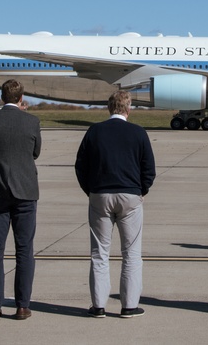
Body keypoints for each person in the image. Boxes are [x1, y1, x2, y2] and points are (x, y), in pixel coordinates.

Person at [75, 90, 156, 319]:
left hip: (100, 195)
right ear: (128, 109)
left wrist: (90, 190)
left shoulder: (95, 131)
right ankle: (129, 305)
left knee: (99, 253)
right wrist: (141, 190)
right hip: (130, 196)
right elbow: (149, 168)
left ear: (110, 108)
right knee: (131, 253)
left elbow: (80, 165)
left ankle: (98, 306)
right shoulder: (138, 133)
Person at [0, 79, 42, 321]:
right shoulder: (32, 121)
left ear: (1, 97)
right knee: (24, 249)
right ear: (21, 98)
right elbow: (35, 152)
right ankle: (22, 305)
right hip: (25, 190)